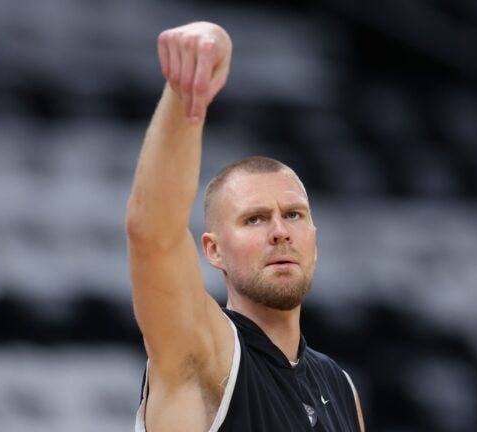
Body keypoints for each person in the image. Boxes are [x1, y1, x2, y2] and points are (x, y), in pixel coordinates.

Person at [126, 21, 365, 431]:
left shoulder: (340, 385)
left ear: (314, 241)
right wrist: (186, 92)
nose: (280, 231)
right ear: (213, 249)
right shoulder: (203, 351)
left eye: (293, 215)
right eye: (254, 219)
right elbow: (152, 235)